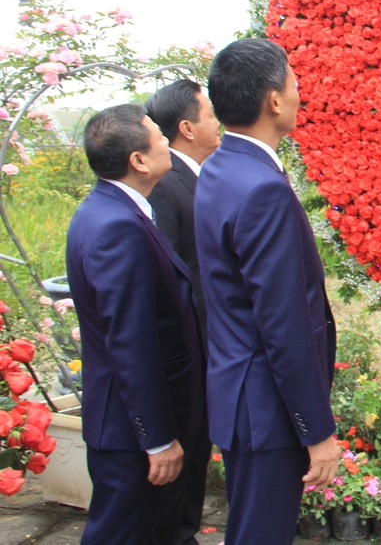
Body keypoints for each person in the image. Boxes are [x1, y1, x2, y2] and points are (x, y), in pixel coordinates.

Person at [194, 38, 339, 543]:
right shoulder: (262, 187)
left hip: (241, 395)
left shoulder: (221, 167)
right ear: (274, 101)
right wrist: (316, 431)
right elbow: (283, 322)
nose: (300, 93)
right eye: (294, 83)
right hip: (267, 407)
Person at [65, 104, 203, 544]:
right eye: (158, 138)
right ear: (138, 160)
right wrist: (158, 439)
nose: (167, 141)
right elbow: (130, 341)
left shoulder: (116, 211)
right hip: (130, 430)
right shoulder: (116, 227)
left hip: (135, 422)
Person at [144, 79, 221, 544]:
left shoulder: (196, 178)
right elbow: (168, 281)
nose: (218, 123)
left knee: (196, 457)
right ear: (188, 127)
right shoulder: (166, 188)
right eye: (210, 114)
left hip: (206, 352)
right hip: (187, 356)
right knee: (182, 465)